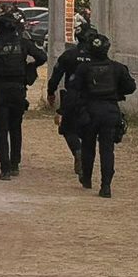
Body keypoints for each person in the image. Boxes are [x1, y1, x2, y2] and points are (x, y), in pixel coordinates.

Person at [0, 12, 47, 179]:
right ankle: (15, 164)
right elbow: (42, 57)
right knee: (15, 128)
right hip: (18, 90)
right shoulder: (23, 43)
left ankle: (5, 169)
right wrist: (29, 66)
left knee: (0, 130)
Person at [67, 34, 136, 197]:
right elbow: (131, 87)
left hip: (90, 111)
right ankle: (106, 186)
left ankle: (87, 179)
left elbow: (73, 90)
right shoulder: (117, 68)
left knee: (88, 146)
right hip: (110, 111)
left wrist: (68, 112)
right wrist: (117, 91)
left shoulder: (83, 69)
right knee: (107, 150)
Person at [47, 23, 96, 175]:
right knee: (90, 131)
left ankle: (77, 150)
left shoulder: (69, 55)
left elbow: (56, 75)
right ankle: (87, 160)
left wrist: (51, 92)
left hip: (72, 98)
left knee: (68, 128)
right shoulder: (98, 56)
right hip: (94, 98)